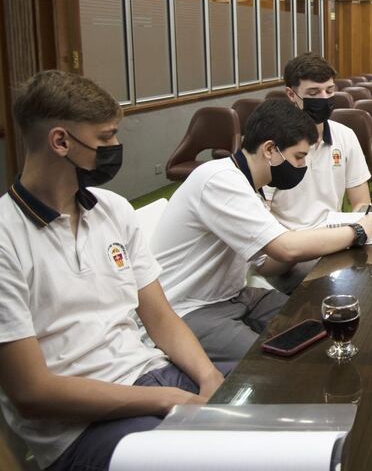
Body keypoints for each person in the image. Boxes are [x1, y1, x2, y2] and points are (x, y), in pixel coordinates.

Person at [0, 71, 224, 471]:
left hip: (152, 377)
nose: (116, 147)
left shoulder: (112, 210)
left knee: (266, 396)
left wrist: (208, 378)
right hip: (81, 427)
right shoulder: (6, 237)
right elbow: (31, 392)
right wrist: (169, 400)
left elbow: (160, 317)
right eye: (105, 138)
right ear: (60, 141)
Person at [151, 99, 372, 363]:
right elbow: (285, 247)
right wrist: (355, 232)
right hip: (191, 308)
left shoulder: (249, 187)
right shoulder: (219, 180)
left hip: (235, 296)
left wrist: (318, 243)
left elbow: (269, 263)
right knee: (269, 365)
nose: (303, 167)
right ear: (270, 149)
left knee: (322, 329)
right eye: (299, 157)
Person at [263, 54, 372, 292]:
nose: (324, 99)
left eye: (329, 91)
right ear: (291, 95)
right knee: (339, 290)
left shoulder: (345, 136)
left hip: (336, 242)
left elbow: (361, 202)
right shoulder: (272, 146)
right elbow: (263, 220)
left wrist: (357, 224)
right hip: (290, 254)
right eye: (313, 93)